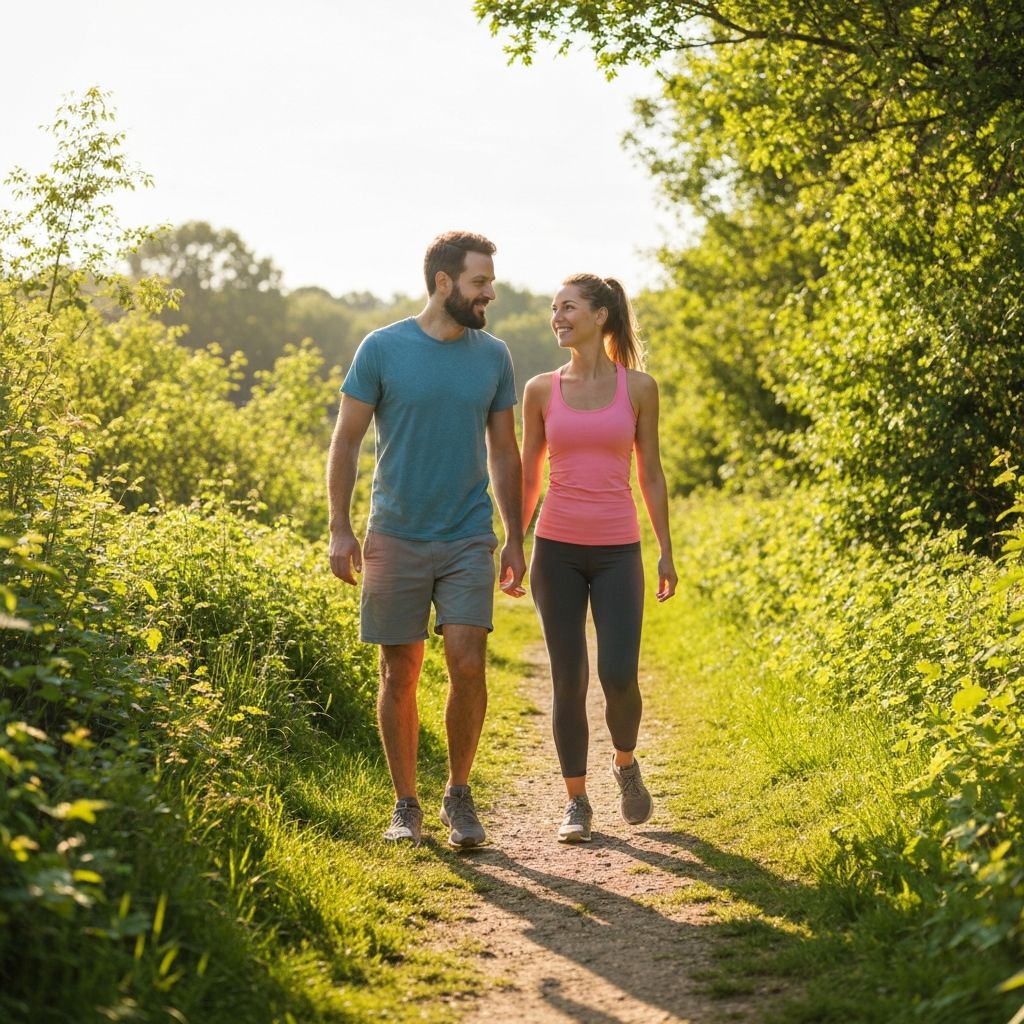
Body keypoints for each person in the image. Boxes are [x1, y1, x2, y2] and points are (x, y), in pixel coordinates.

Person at [328, 231, 526, 848]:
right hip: (395, 533)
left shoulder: (493, 355)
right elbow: (347, 440)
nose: (489, 292)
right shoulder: (382, 349)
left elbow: (503, 450)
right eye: (479, 282)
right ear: (443, 282)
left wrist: (515, 535)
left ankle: (458, 794)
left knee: (468, 662)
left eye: (490, 281)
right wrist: (340, 526)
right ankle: (405, 803)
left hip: (469, 533)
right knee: (399, 671)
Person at [521, 273, 677, 843]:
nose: (557, 316)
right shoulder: (540, 389)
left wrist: (665, 550)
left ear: (600, 315)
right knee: (568, 676)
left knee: (617, 674)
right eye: (553, 308)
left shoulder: (639, 388)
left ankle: (626, 763)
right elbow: (529, 471)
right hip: (556, 548)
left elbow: (651, 472)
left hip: (618, 550)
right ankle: (576, 801)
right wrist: (514, 540)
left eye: (568, 307)